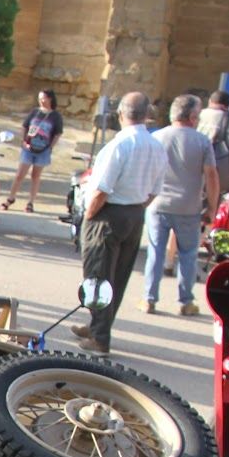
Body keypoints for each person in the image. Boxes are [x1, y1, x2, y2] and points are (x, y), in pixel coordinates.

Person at [72, 92, 168, 355]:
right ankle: (97, 325)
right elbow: (155, 190)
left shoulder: (120, 145)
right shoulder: (155, 145)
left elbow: (102, 188)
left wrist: (90, 215)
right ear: (146, 115)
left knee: (98, 274)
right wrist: (136, 206)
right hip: (135, 213)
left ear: (121, 114)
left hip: (108, 213)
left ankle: (100, 337)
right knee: (118, 275)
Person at [141, 94, 217, 316]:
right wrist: (212, 207)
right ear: (192, 116)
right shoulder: (202, 141)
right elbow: (211, 176)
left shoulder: (157, 137)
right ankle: (185, 301)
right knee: (188, 254)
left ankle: (149, 298)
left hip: (158, 204)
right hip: (189, 206)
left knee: (155, 252)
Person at [3, 89, 64, 213]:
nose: (41, 100)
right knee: (20, 174)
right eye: (40, 98)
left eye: (43, 98)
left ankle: (30, 202)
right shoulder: (35, 112)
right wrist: (23, 141)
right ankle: (11, 198)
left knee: (35, 176)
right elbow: (25, 126)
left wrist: (50, 147)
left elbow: (57, 133)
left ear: (50, 99)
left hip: (43, 149)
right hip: (28, 148)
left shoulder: (55, 116)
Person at [198, 89, 229, 201]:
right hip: (218, 170)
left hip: (195, 167)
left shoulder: (198, 114)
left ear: (210, 101)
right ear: (228, 105)